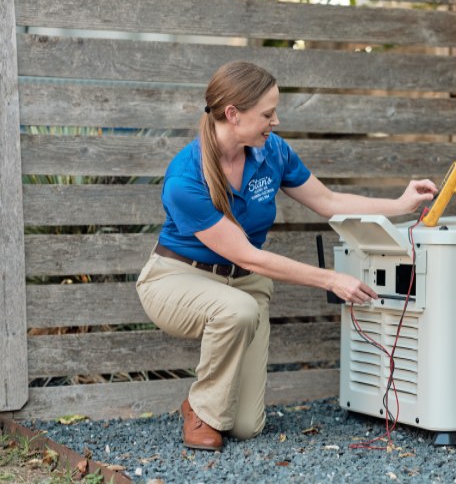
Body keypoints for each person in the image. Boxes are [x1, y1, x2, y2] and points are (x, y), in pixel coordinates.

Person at [135, 61, 437, 451]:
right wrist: (330, 279)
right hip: (177, 278)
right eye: (266, 113)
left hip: (243, 283)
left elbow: (328, 202)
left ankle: (205, 404)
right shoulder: (185, 179)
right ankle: (202, 412)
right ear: (233, 114)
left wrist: (399, 204)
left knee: (246, 427)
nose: (275, 121)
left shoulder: (272, 152)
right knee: (236, 311)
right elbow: (250, 255)